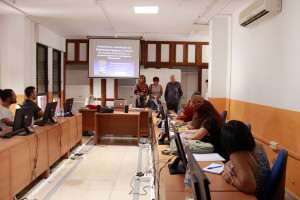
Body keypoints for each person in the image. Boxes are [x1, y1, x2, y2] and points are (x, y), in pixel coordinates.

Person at [220, 120, 270, 198]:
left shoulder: (237, 155)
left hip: (250, 196)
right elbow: (231, 162)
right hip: (263, 188)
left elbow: (249, 188)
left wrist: (228, 177)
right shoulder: (257, 144)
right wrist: (226, 167)